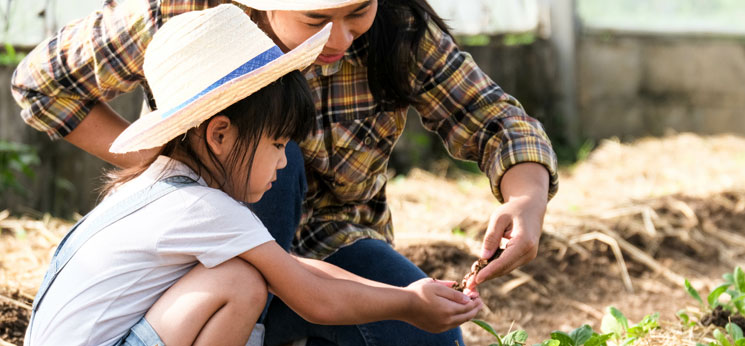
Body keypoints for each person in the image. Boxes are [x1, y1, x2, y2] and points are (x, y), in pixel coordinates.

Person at [12, 0, 559, 344]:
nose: (341, 39)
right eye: (317, 19)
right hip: (202, 280)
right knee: (248, 276)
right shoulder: (187, 20)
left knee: (426, 342)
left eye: (358, 12)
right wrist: (171, 158)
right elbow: (41, 84)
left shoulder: (401, 30)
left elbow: (494, 118)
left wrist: (525, 198)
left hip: (315, 250)